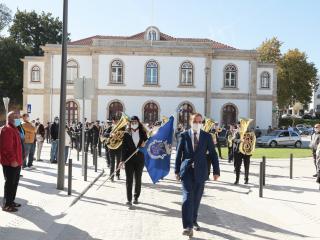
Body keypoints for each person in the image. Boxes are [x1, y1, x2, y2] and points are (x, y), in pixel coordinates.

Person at [175, 113, 220, 237]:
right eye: (195, 121)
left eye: (200, 121)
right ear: (190, 122)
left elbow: (213, 154)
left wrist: (216, 171)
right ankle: (187, 226)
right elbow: (179, 154)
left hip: (201, 171)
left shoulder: (207, 136)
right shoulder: (183, 135)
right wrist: (177, 170)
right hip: (187, 171)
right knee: (187, 198)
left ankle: (194, 220)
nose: (197, 123)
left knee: (196, 199)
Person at [121, 116, 148, 206]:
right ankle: (129, 199)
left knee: (138, 178)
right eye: (132, 122)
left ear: (138, 122)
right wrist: (122, 160)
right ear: (130, 123)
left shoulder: (143, 132)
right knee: (129, 179)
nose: (134, 123)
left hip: (140, 159)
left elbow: (147, 143)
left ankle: (136, 196)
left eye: (135, 121)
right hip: (129, 159)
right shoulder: (126, 133)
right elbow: (124, 148)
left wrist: (144, 144)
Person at [0, 111, 23, 212]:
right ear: (11, 119)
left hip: (17, 162)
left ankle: (11, 201)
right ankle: (6, 205)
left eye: (19, 117)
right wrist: (13, 160)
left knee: (14, 183)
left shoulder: (15, 129)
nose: (19, 119)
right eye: (16, 117)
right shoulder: (7, 129)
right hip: (10, 162)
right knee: (9, 183)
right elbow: (6, 148)